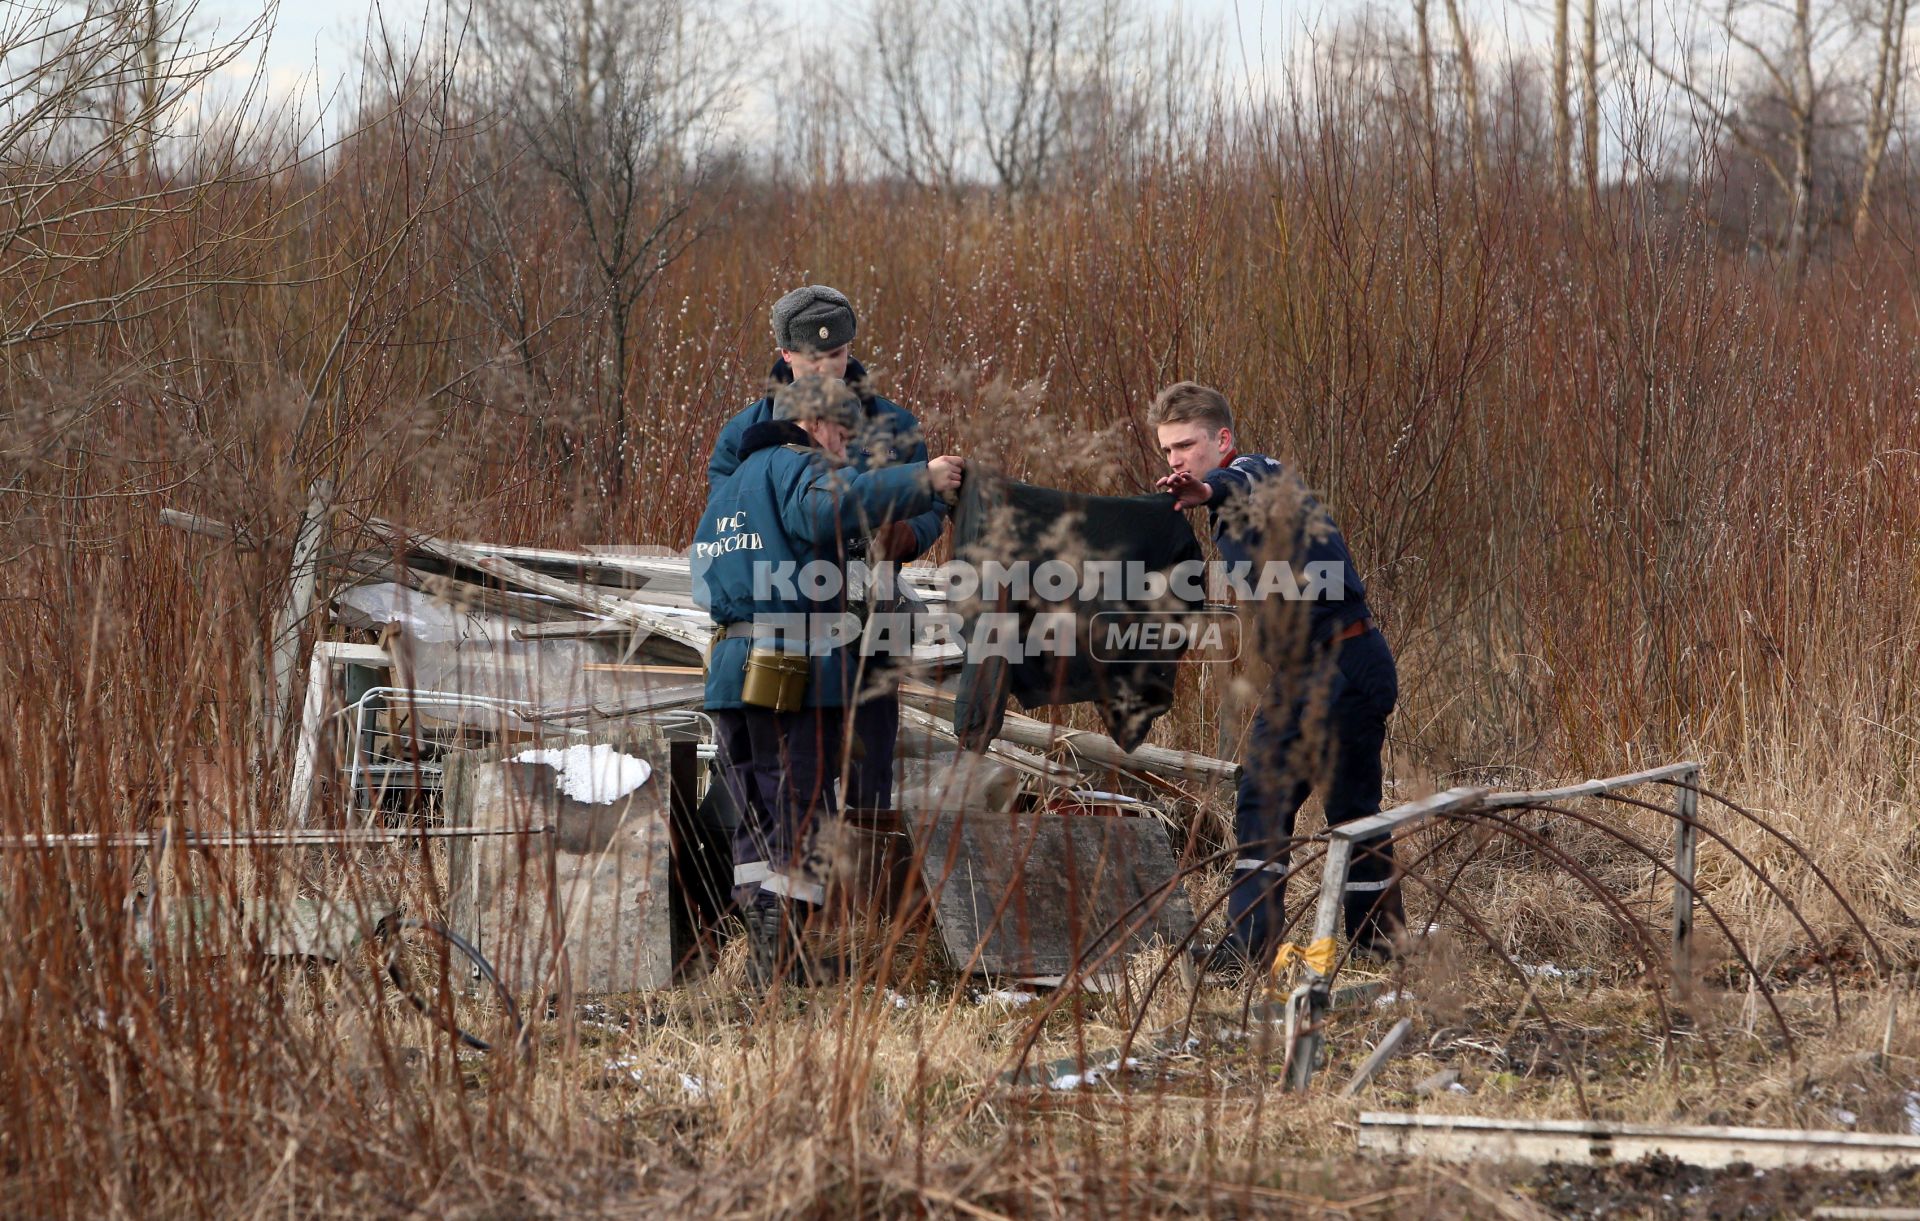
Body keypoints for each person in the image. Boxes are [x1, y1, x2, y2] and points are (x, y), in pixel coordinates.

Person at [694, 376, 963, 984]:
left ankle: (772, 955)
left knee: (757, 815)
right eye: (844, 438)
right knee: (802, 811)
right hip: (793, 677)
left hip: (734, 675)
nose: (844, 453)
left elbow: (713, 578)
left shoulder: (731, 486)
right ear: (818, 425)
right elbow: (828, 506)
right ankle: (786, 958)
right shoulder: (797, 466)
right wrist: (922, 481)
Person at [1149, 381, 1405, 968]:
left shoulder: (1256, 476)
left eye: (1186, 445)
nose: (1176, 461)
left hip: (1344, 662)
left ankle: (1360, 945)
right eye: (1167, 452)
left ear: (1222, 439)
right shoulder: (1228, 503)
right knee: (1276, 801)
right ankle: (1285, 945)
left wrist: (1206, 486)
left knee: (1343, 810)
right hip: (1309, 672)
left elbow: (1239, 486)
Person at [709, 284, 945, 817]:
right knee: (778, 775)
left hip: (871, 620)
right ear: (787, 354)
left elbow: (931, 508)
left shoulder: (893, 425)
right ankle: (777, 886)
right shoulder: (744, 432)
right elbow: (726, 524)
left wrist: (907, 534)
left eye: (837, 355)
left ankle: (867, 889)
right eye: (814, 358)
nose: (827, 370)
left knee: (869, 763)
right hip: (783, 625)